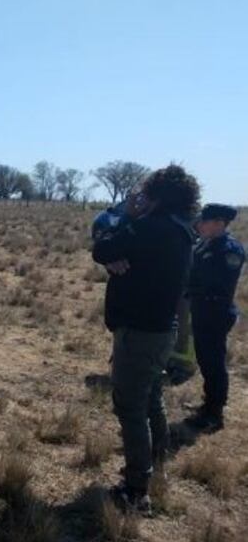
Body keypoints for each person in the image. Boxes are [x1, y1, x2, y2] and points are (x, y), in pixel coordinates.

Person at [91, 165, 199, 513]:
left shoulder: (151, 227)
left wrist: (129, 218)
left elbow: (102, 247)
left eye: (146, 193)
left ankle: (136, 490)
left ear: (157, 195)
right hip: (160, 329)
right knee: (151, 397)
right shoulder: (182, 231)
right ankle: (154, 462)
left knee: (130, 406)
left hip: (139, 332)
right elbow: (113, 255)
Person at [185, 203, 244, 432]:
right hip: (201, 310)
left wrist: (192, 287)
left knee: (214, 362)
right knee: (204, 359)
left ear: (220, 223)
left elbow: (218, 284)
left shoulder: (230, 250)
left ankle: (214, 413)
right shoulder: (204, 245)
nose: (200, 224)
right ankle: (208, 403)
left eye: (205, 221)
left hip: (215, 313)